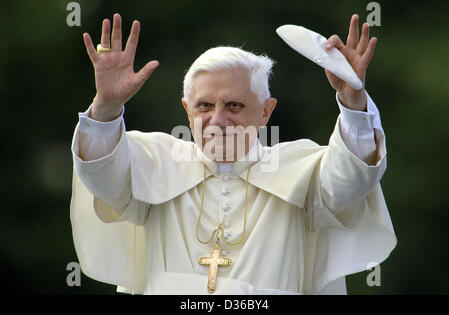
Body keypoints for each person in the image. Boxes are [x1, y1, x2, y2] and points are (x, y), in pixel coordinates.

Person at [70, 13, 396, 294]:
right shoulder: (151, 162)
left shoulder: (304, 171)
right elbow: (102, 176)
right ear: (187, 111)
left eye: (234, 106)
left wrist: (354, 103)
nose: (218, 120)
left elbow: (351, 179)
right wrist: (107, 108)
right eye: (205, 106)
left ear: (266, 112)